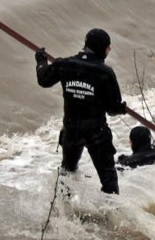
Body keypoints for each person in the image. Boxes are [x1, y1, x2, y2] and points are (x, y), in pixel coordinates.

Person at [35, 28, 126, 195]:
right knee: (108, 178)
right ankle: (111, 210)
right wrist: (121, 108)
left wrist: (41, 61)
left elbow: (44, 80)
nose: (110, 49)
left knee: (68, 172)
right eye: (108, 47)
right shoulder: (104, 72)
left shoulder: (65, 64)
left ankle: (62, 207)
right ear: (101, 48)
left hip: (72, 130)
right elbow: (112, 109)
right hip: (96, 132)